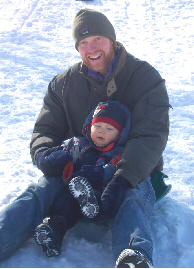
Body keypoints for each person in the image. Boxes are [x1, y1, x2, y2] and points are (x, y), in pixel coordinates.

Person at [0, 8, 171, 267]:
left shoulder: (144, 78)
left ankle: (134, 256)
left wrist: (123, 177)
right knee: (39, 190)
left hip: (127, 167)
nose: (91, 48)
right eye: (83, 43)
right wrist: (44, 153)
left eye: (97, 39)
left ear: (111, 40)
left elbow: (151, 135)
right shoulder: (63, 83)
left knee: (132, 198)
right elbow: (44, 129)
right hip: (78, 165)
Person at [33, 100, 131, 257]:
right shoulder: (77, 142)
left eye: (109, 128)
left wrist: (97, 174)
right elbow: (60, 150)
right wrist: (52, 157)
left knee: (107, 195)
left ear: (119, 134)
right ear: (89, 127)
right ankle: (54, 232)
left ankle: (93, 206)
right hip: (74, 189)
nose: (101, 131)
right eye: (97, 126)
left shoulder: (117, 152)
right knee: (65, 202)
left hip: (99, 188)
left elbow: (115, 170)